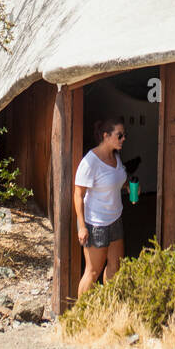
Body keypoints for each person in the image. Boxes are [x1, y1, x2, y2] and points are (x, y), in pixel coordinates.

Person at [74, 117, 127, 297]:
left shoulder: (116, 156)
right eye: (119, 135)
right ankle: (80, 315)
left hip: (115, 220)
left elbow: (117, 179)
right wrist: (82, 226)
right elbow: (78, 194)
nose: (123, 139)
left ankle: (109, 306)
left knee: (115, 266)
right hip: (96, 224)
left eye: (124, 135)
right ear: (106, 136)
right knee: (93, 272)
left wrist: (129, 186)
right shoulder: (91, 162)